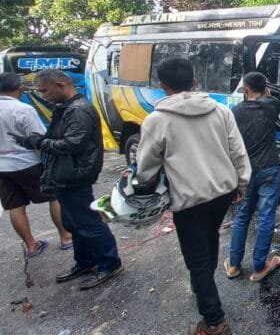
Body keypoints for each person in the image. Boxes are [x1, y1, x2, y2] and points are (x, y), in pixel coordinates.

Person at [135, 58, 250, 335]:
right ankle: (204, 288)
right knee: (209, 241)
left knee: (196, 257)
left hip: (189, 200)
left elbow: (146, 168)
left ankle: (214, 321)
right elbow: (237, 150)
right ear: (194, 81)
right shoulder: (221, 111)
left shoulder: (156, 120)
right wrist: (242, 183)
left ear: (162, 86)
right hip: (223, 192)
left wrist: (145, 184)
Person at [11, 69, 122, 289]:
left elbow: (73, 143)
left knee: (88, 222)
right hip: (66, 174)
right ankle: (85, 262)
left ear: (60, 84)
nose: (44, 96)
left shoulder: (78, 110)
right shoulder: (66, 109)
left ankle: (109, 262)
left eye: (45, 90)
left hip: (76, 174)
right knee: (74, 222)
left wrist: (39, 143)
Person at [0, 72, 71, 257]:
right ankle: (65, 237)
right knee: (53, 197)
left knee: (15, 206)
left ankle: (31, 245)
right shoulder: (23, 109)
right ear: (19, 87)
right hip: (28, 162)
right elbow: (38, 139)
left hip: (2, 167)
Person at [224, 72, 280, 282]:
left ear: (245, 90)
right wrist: (266, 93)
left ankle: (233, 265)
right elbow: (270, 98)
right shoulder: (271, 105)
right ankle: (260, 266)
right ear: (265, 89)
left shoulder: (235, 112)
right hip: (269, 168)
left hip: (246, 172)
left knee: (242, 216)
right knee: (266, 217)